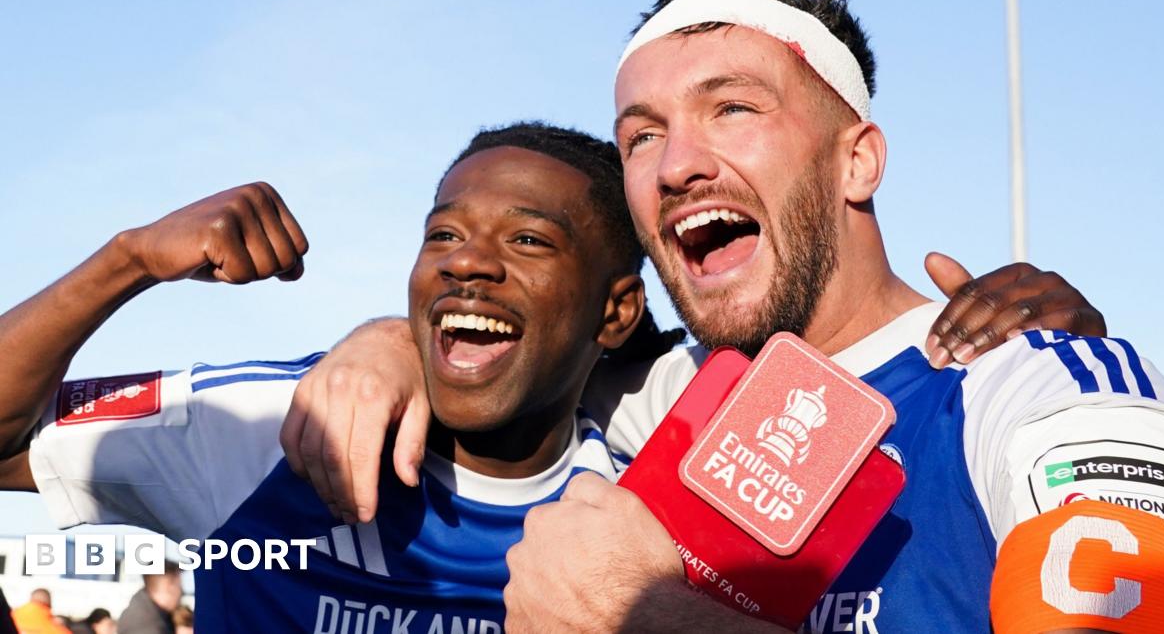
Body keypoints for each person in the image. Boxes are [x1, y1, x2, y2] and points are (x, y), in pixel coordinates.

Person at [283, 0, 1164, 633]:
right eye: (642, 135)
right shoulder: (648, 398)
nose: (676, 164)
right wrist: (389, 346)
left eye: (732, 109)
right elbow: (506, 351)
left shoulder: (1033, 391)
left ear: (857, 160)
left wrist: (649, 615)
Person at [0, 123, 699, 630]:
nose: (465, 262)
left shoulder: (647, 514)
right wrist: (129, 260)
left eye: (527, 240)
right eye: (444, 234)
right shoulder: (267, 426)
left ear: (616, 312)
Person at [118, 566, 182, 634]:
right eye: (179, 586)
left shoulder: (146, 612)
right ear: (168, 586)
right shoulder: (148, 626)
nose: (181, 592)